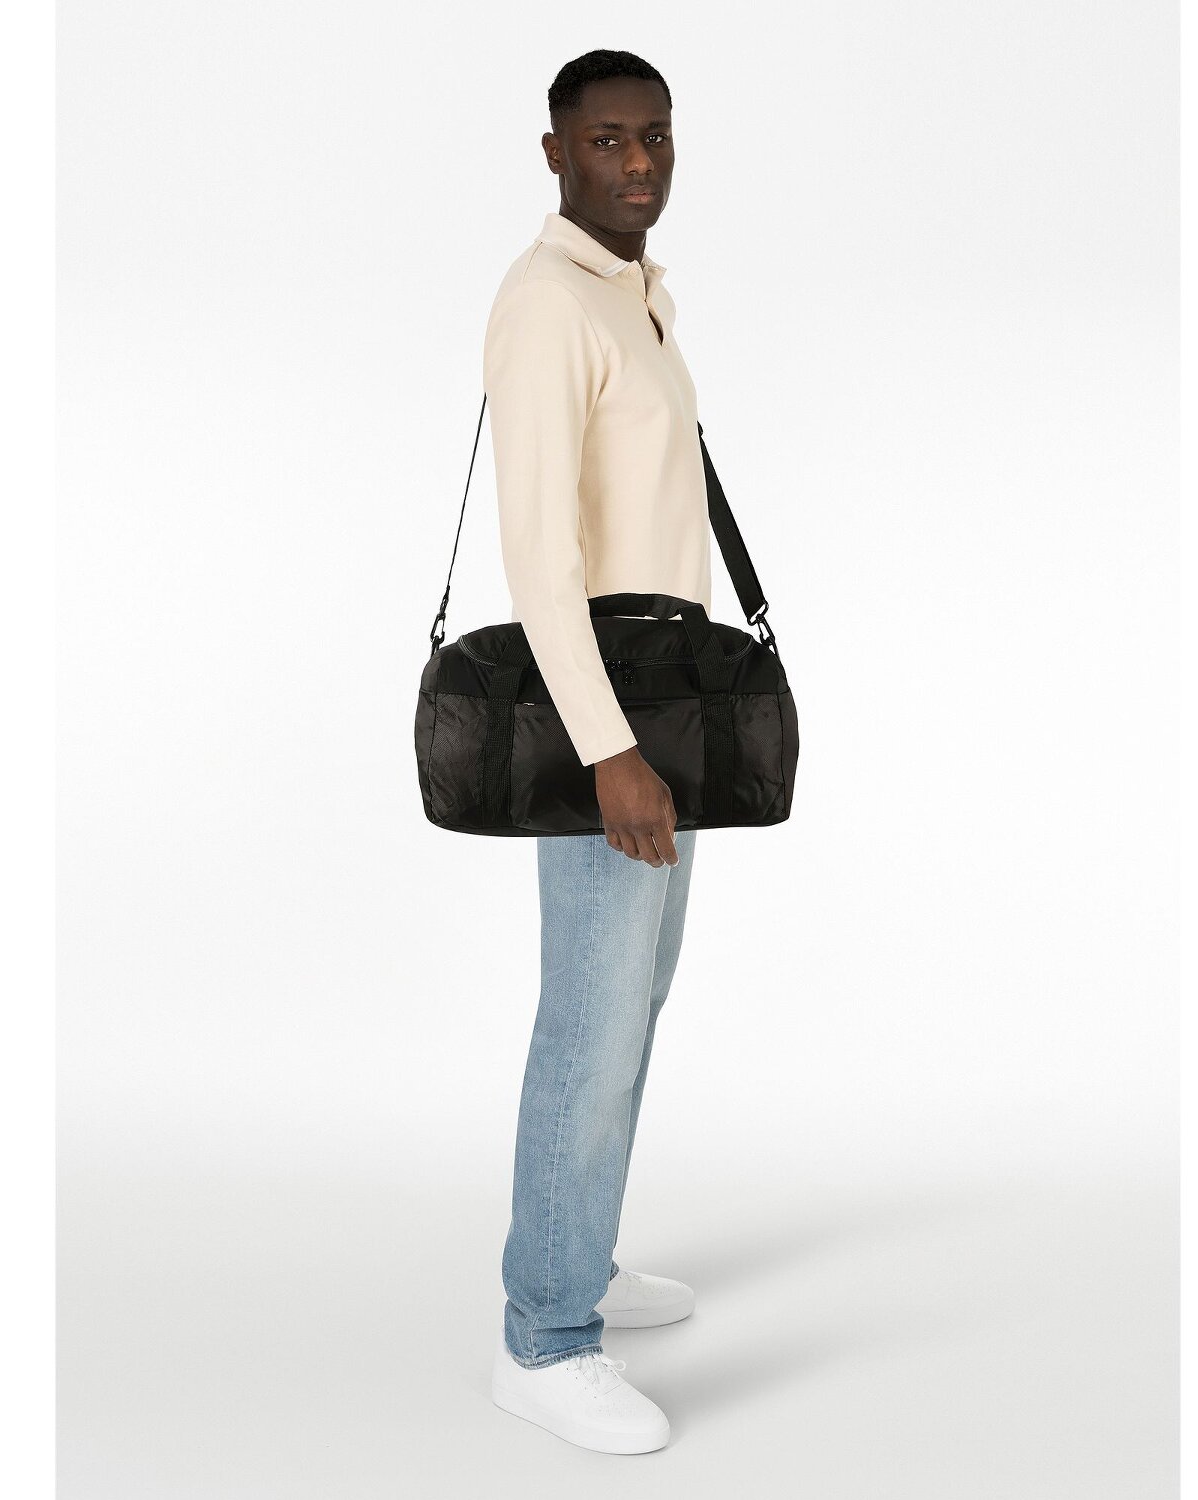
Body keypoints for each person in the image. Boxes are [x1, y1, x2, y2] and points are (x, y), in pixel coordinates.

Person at [481, 51, 713, 1455]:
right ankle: (545, 1337)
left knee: (632, 1006)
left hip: (661, 701)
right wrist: (610, 750)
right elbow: (538, 556)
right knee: (588, 1022)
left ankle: (582, 1250)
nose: (638, 163)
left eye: (657, 138)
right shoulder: (545, 302)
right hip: (604, 717)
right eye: (609, 139)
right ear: (556, 151)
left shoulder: (636, 291)